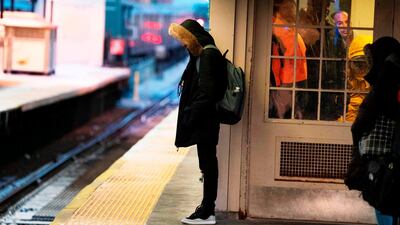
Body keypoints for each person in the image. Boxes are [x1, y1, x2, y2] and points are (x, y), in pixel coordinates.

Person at [168, 19, 227, 225]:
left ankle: (207, 211)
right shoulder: (204, 54)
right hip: (206, 118)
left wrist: (191, 115)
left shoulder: (208, 55)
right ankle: (206, 207)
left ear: (193, 38)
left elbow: (208, 92)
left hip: (206, 119)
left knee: (208, 163)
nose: (184, 45)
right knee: (207, 162)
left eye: (185, 40)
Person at [351, 36, 400, 225]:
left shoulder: (385, 83)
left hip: (383, 156)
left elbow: (364, 120)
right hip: (392, 155)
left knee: (384, 201)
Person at [269, 0, 308, 119]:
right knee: (286, 118)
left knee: (295, 118)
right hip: (286, 82)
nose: (292, 9)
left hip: (297, 79)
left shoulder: (289, 25)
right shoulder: (273, 26)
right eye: (288, 7)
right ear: (278, 8)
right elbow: (275, 58)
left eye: (293, 6)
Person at [322, 10, 354, 120]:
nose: (345, 26)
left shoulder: (352, 37)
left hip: (348, 86)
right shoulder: (333, 39)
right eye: (340, 23)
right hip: (336, 89)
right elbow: (334, 70)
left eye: (346, 22)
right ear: (335, 25)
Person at [338, 35, 372, 122]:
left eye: (366, 63)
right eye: (359, 63)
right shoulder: (347, 79)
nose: (363, 68)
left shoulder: (375, 79)